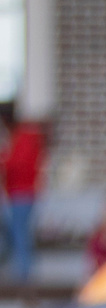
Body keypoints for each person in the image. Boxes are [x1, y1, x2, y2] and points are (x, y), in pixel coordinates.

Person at [3, 109, 44, 286]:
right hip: (16, 193)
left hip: (23, 192)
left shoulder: (24, 138)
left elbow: (17, 164)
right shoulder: (16, 138)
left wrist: (3, 161)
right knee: (16, 231)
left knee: (20, 233)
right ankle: (21, 268)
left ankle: (25, 273)